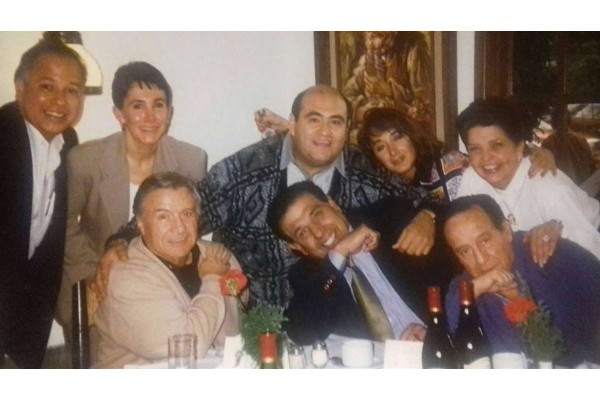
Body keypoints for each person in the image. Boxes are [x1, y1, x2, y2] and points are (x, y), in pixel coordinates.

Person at [104, 85, 441, 308]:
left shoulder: (363, 169)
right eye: (314, 120)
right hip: (256, 326)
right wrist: (120, 242)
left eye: (336, 122)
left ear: (346, 129)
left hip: (344, 322)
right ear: (292, 123)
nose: (325, 133)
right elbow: (180, 218)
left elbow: (426, 198)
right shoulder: (243, 171)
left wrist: (428, 216)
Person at [57, 61, 207, 342]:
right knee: (100, 355)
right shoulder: (86, 160)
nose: (150, 117)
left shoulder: (191, 160)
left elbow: (192, 222)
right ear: (119, 114)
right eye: (138, 106)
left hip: (163, 279)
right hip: (97, 271)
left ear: (170, 113)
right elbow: (62, 224)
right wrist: (98, 268)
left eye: (158, 105)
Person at [267, 181, 452, 345]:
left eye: (317, 214)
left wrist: (428, 215)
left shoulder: (384, 217)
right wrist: (339, 254)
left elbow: (449, 207)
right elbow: (301, 333)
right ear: (297, 247)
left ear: (332, 204)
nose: (318, 232)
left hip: (444, 345)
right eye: (302, 232)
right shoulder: (307, 277)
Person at [93, 172, 240, 368]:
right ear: (140, 224)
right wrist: (212, 279)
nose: (179, 227)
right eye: (163, 216)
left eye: (187, 214)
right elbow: (188, 350)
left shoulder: (219, 257)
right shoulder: (126, 277)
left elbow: (234, 335)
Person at [0, 38, 86, 368]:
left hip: (25, 324)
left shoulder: (68, 142)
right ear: (20, 88)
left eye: (72, 90)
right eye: (47, 87)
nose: (59, 101)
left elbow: (45, 247)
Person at [441, 195, 600, 368]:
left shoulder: (547, 252)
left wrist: (521, 300)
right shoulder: (466, 287)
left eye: (485, 241)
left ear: (506, 231)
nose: (480, 259)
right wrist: (476, 288)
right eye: (465, 251)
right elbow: (444, 335)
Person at [456, 98, 600, 263]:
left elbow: (593, 252)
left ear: (519, 147)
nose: (486, 158)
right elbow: (459, 227)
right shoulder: (472, 179)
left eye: (496, 145)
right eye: (475, 149)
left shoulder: (547, 184)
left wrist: (559, 232)